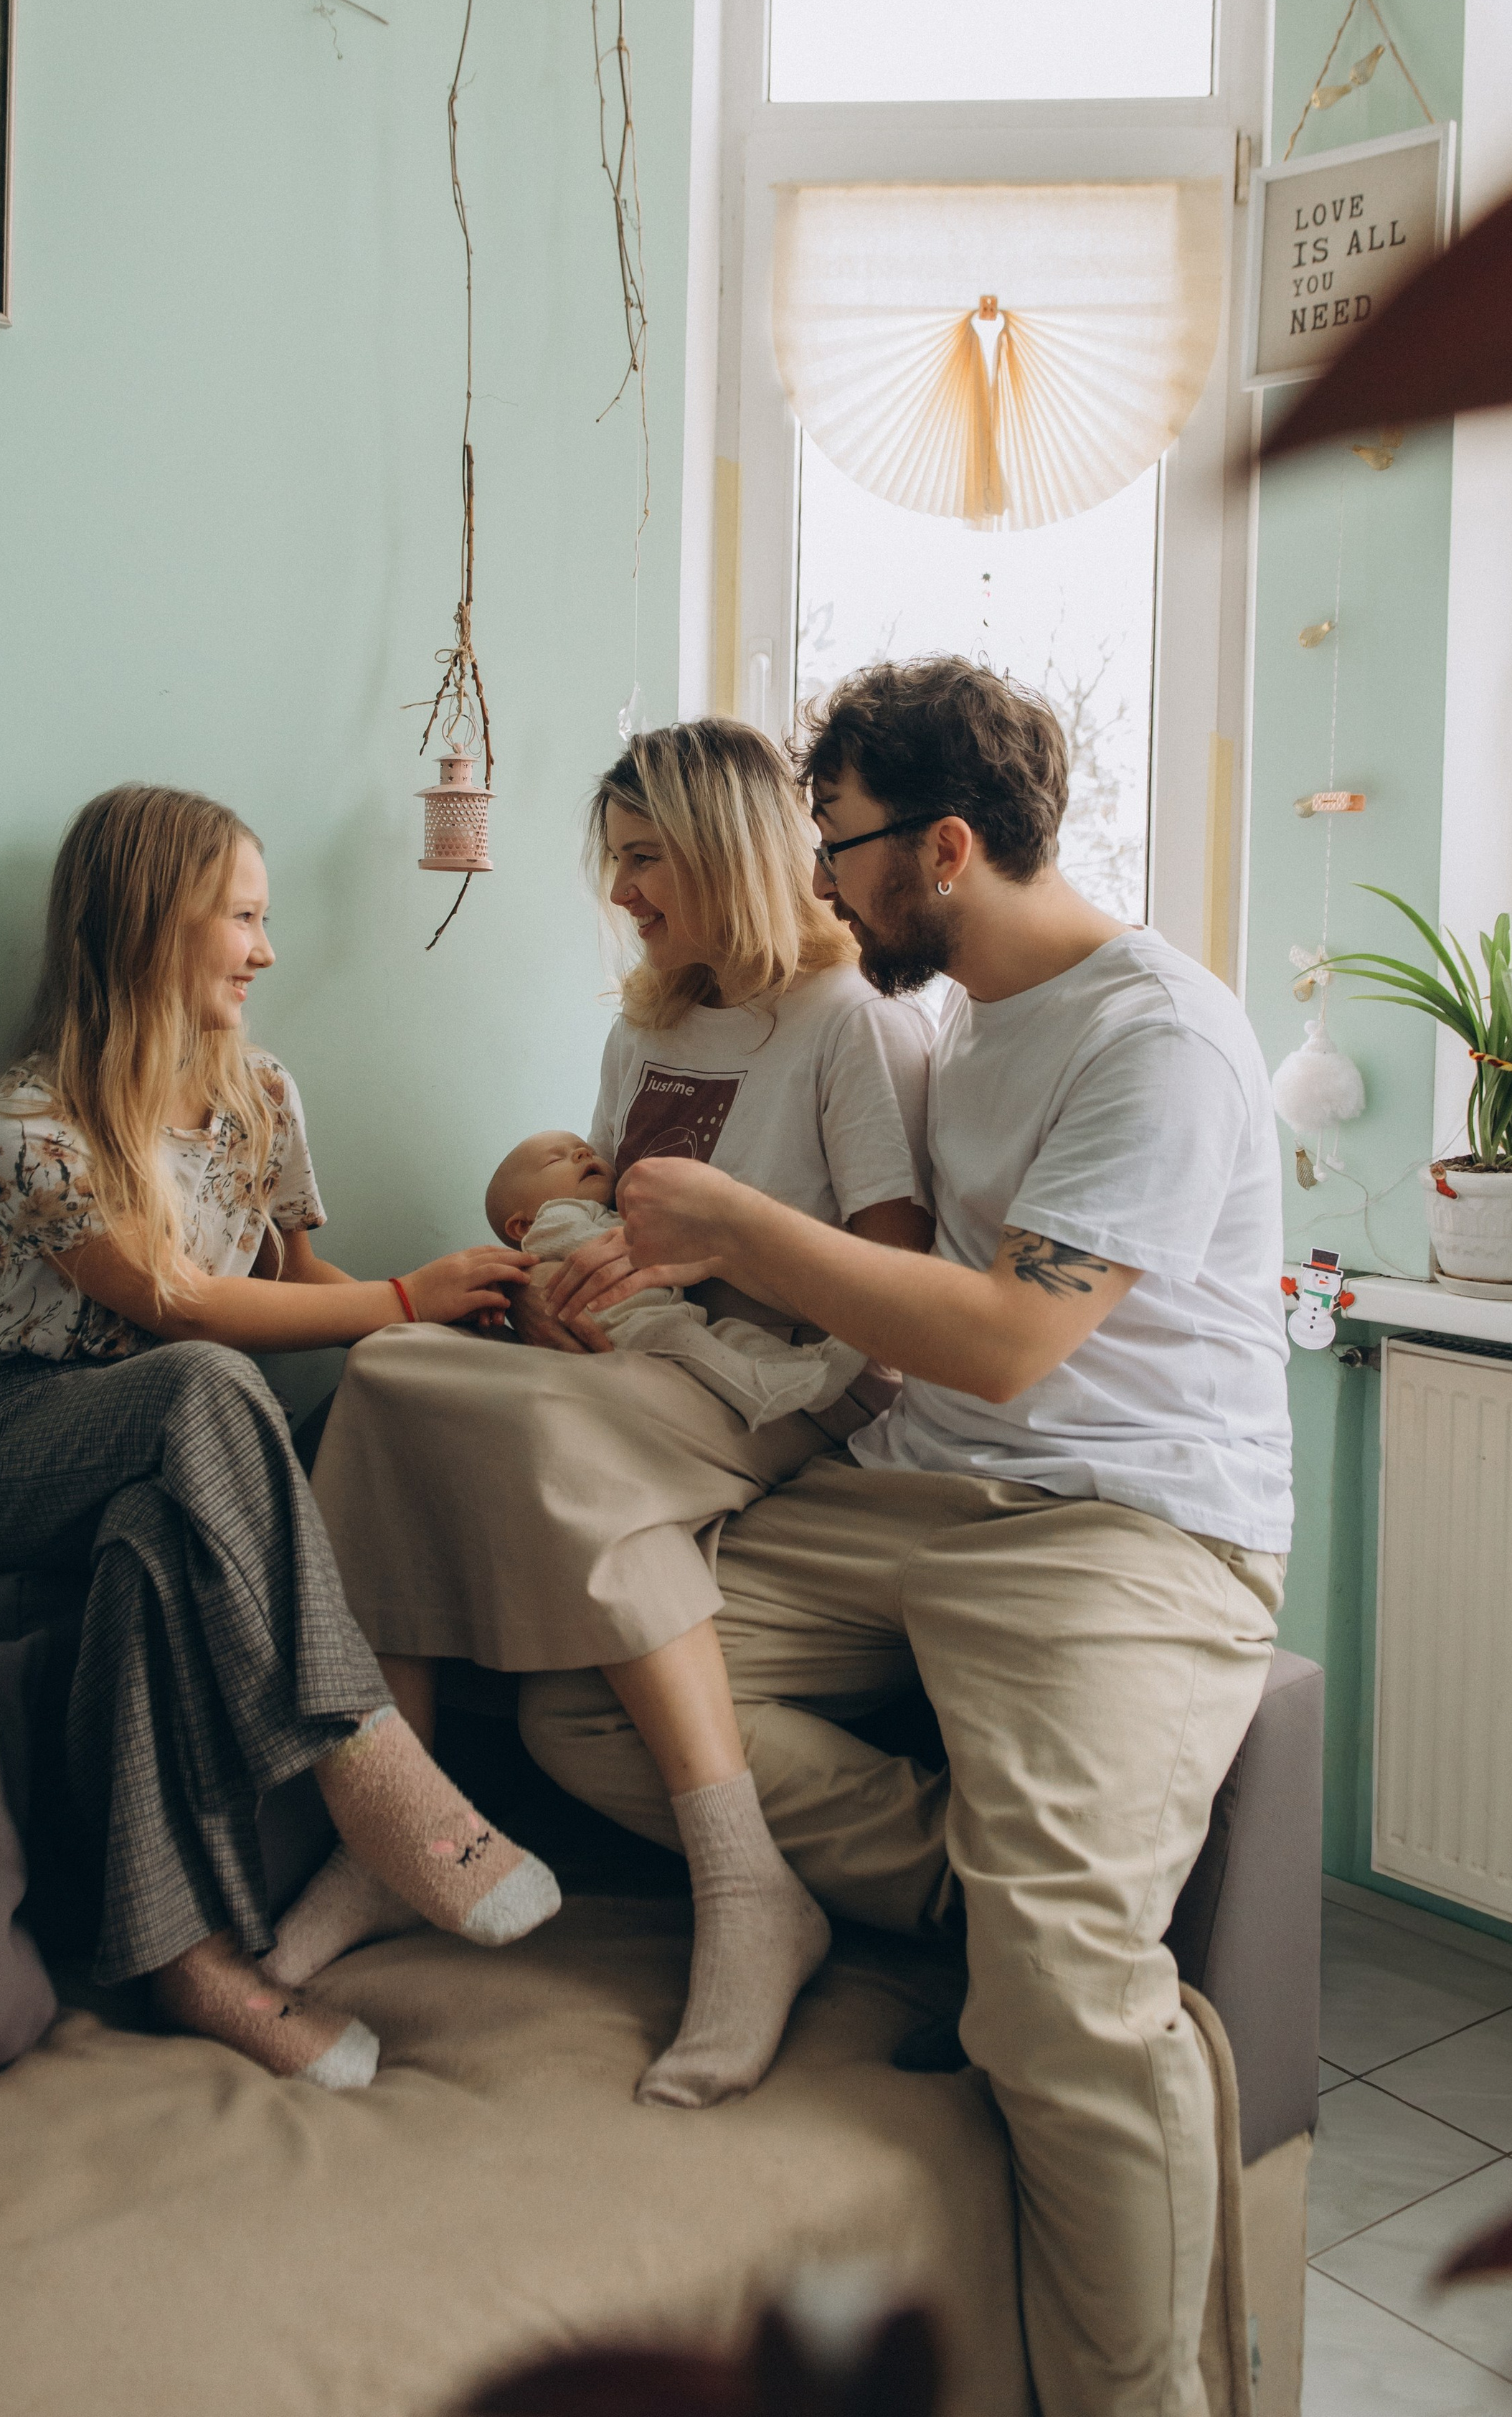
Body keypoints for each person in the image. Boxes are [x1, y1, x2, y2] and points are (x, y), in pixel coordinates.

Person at [524, 657, 1291, 2417]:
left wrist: (726, 1229)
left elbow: (1010, 1335)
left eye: (839, 841)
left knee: (1062, 2008)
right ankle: (963, 1874)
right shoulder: (949, 1027)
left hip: (1121, 1527)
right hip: (910, 1491)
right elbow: (891, 1302)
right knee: (587, 1686)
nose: (815, 876)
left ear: (941, 847)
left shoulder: (1152, 1035)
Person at [296, 720, 935, 2108]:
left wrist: (712, 1257)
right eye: (618, 862)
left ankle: (744, 1887)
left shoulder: (853, 1028)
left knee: (540, 1436)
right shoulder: (646, 1024)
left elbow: (897, 1295)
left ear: (727, 853)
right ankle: (393, 1827)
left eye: (648, 859)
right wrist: (555, 1294)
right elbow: (611, 1228)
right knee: (394, 1370)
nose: (624, 892)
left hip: (788, 1388)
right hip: (637, 1371)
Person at [0, 783, 558, 2093]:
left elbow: (300, 1285)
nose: (265, 951)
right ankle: (372, 1771)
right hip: (25, 1444)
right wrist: (402, 1298)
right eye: (244, 918)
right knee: (208, 1378)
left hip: (188, 1459)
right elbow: (172, 1303)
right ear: (154, 919)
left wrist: (452, 1317)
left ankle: (193, 1968)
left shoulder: (259, 1093)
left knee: (157, 1537)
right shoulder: (28, 1123)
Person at [486, 1127, 866, 1425]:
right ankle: (765, 1389)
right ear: (521, 1226)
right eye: (556, 1161)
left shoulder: (599, 1212)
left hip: (659, 1311)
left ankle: (806, 1372)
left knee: (726, 1336)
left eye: (583, 1147)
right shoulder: (554, 1218)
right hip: (624, 1326)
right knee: (694, 1344)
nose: (584, 1153)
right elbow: (583, 1244)